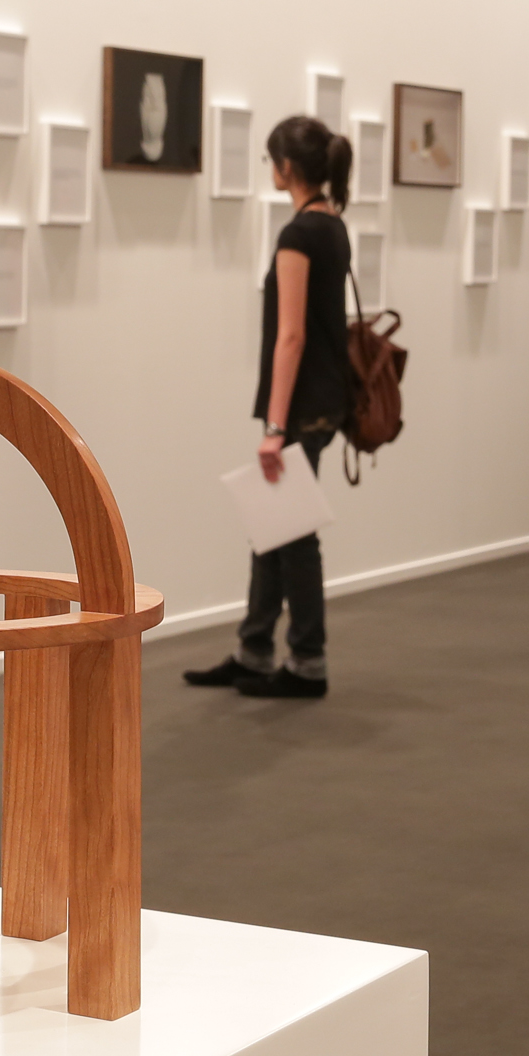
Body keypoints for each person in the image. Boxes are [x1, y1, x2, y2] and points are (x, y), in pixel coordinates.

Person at [186, 116, 354, 698]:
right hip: (324, 398)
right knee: (272, 525)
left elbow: (292, 336)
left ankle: (307, 661)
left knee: (294, 533)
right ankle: (255, 649)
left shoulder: (298, 235)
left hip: (300, 406)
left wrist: (276, 425)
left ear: (285, 167)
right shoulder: (333, 225)